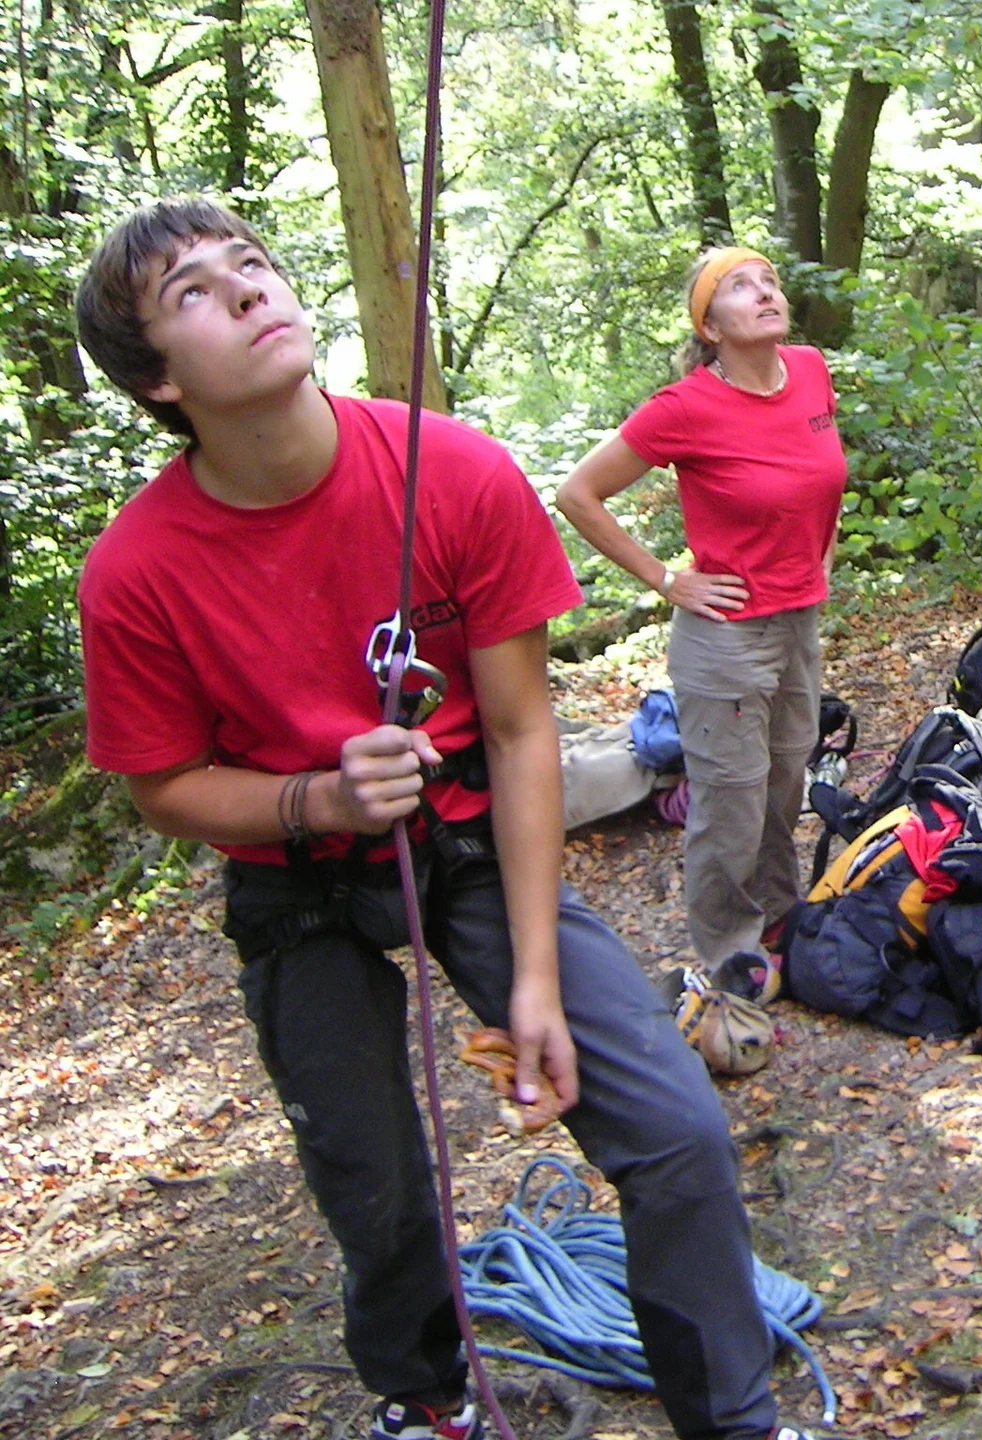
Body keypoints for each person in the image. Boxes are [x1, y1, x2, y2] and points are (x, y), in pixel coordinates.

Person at [74, 199, 811, 1440]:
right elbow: (166, 786)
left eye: (251, 263)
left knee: (675, 1126)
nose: (246, 289)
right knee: (369, 1172)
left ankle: (733, 1419)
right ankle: (426, 1394)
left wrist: (535, 985)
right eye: (193, 292)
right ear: (158, 381)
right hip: (296, 874)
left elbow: (521, 734)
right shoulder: (138, 573)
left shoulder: (450, 471)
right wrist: (314, 797)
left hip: (465, 836)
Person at [556, 248, 845, 993]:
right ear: (710, 328)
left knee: (786, 781)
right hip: (726, 637)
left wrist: (820, 555)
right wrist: (665, 579)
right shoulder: (684, 407)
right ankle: (729, 951)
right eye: (740, 287)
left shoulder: (810, 370)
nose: (765, 292)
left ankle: (778, 915)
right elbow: (578, 494)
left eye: (769, 281)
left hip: (799, 622)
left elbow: (820, 474)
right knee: (732, 803)